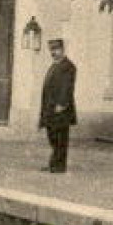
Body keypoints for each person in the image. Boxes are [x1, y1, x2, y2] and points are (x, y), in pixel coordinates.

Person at [39, 38, 78, 173]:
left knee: (60, 137)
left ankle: (59, 166)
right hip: (50, 108)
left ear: (62, 49)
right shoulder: (54, 65)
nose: (54, 52)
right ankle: (53, 163)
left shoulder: (68, 66)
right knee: (52, 136)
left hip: (60, 108)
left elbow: (67, 87)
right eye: (52, 50)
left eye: (56, 49)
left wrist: (62, 103)